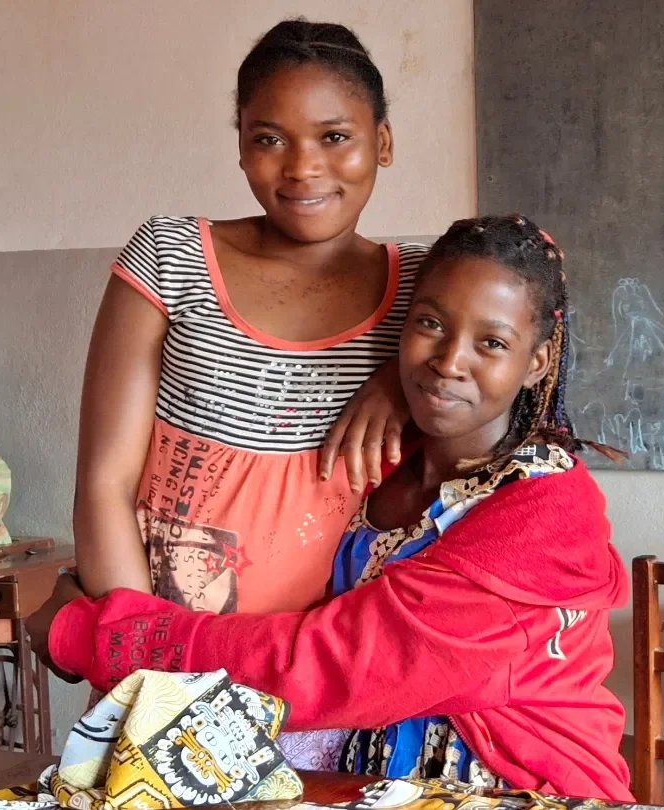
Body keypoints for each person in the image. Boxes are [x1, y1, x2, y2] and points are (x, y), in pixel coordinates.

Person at [30, 216, 635, 803]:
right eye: (430, 324)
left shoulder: (544, 514)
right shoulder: (384, 460)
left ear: (536, 362)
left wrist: (91, 632)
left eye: (492, 343)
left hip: (519, 788)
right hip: (364, 785)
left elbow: (331, 663)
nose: (449, 361)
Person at [73, 18, 417, 620]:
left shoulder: (426, 294)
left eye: (334, 137)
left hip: (338, 666)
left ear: (382, 142)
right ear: (241, 147)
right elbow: (105, 486)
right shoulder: (171, 257)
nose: (303, 167)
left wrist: (398, 373)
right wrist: (145, 659)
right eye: (270, 139)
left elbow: (537, 274)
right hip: (174, 655)